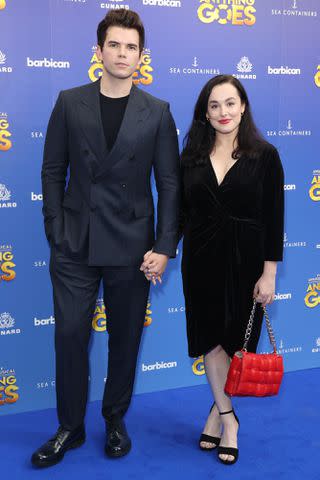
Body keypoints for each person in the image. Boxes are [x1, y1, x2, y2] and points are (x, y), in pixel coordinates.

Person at [31, 9, 180, 468]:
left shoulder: (156, 112)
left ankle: (114, 419)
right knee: (71, 335)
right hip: (75, 243)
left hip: (133, 247)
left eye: (130, 47)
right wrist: (56, 228)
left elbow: (170, 185)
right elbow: (53, 171)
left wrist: (163, 246)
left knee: (125, 338)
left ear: (140, 56)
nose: (121, 53)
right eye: (113, 45)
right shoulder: (68, 101)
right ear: (98, 52)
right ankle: (70, 428)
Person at [180, 75, 284, 465]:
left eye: (230, 103)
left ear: (243, 107)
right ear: (205, 113)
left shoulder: (265, 155)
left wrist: (269, 273)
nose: (223, 112)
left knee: (236, 343)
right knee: (210, 341)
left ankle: (216, 413)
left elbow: (275, 218)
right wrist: (161, 250)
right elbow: (180, 212)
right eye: (214, 105)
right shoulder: (190, 156)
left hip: (246, 261)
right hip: (201, 260)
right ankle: (229, 420)